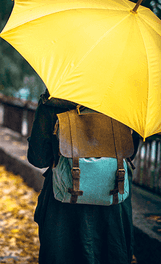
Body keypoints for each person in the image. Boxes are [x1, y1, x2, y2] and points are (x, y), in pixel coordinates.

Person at [27, 89, 140, 264]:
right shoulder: (129, 101)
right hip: (113, 203)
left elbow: (38, 158)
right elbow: (130, 153)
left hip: (63, 208)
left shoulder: (54, 99)